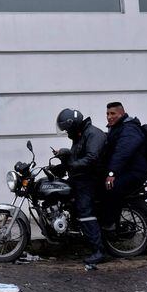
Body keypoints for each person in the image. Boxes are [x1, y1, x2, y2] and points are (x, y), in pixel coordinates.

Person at [54, 108, 107, 265]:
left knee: (84, 211)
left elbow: (91, 158)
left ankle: (99, 251)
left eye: (66, 129)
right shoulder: (79, 135)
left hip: (91, 179)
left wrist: (71, 165)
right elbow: (75, 158)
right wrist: (60, 166)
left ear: (73, 125)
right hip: (80, 177)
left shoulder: (93, 134)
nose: (66, 132)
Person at [101, 102, 147, 231]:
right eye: (107, 114)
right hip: (124, 170)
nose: (109, 117)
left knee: (111, 188)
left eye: (113, 113)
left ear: (121, 113)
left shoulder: (129, 128)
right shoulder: (117, 128)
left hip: (135, 172)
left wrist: (111, 173)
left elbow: (122, 152)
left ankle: (110, 224)